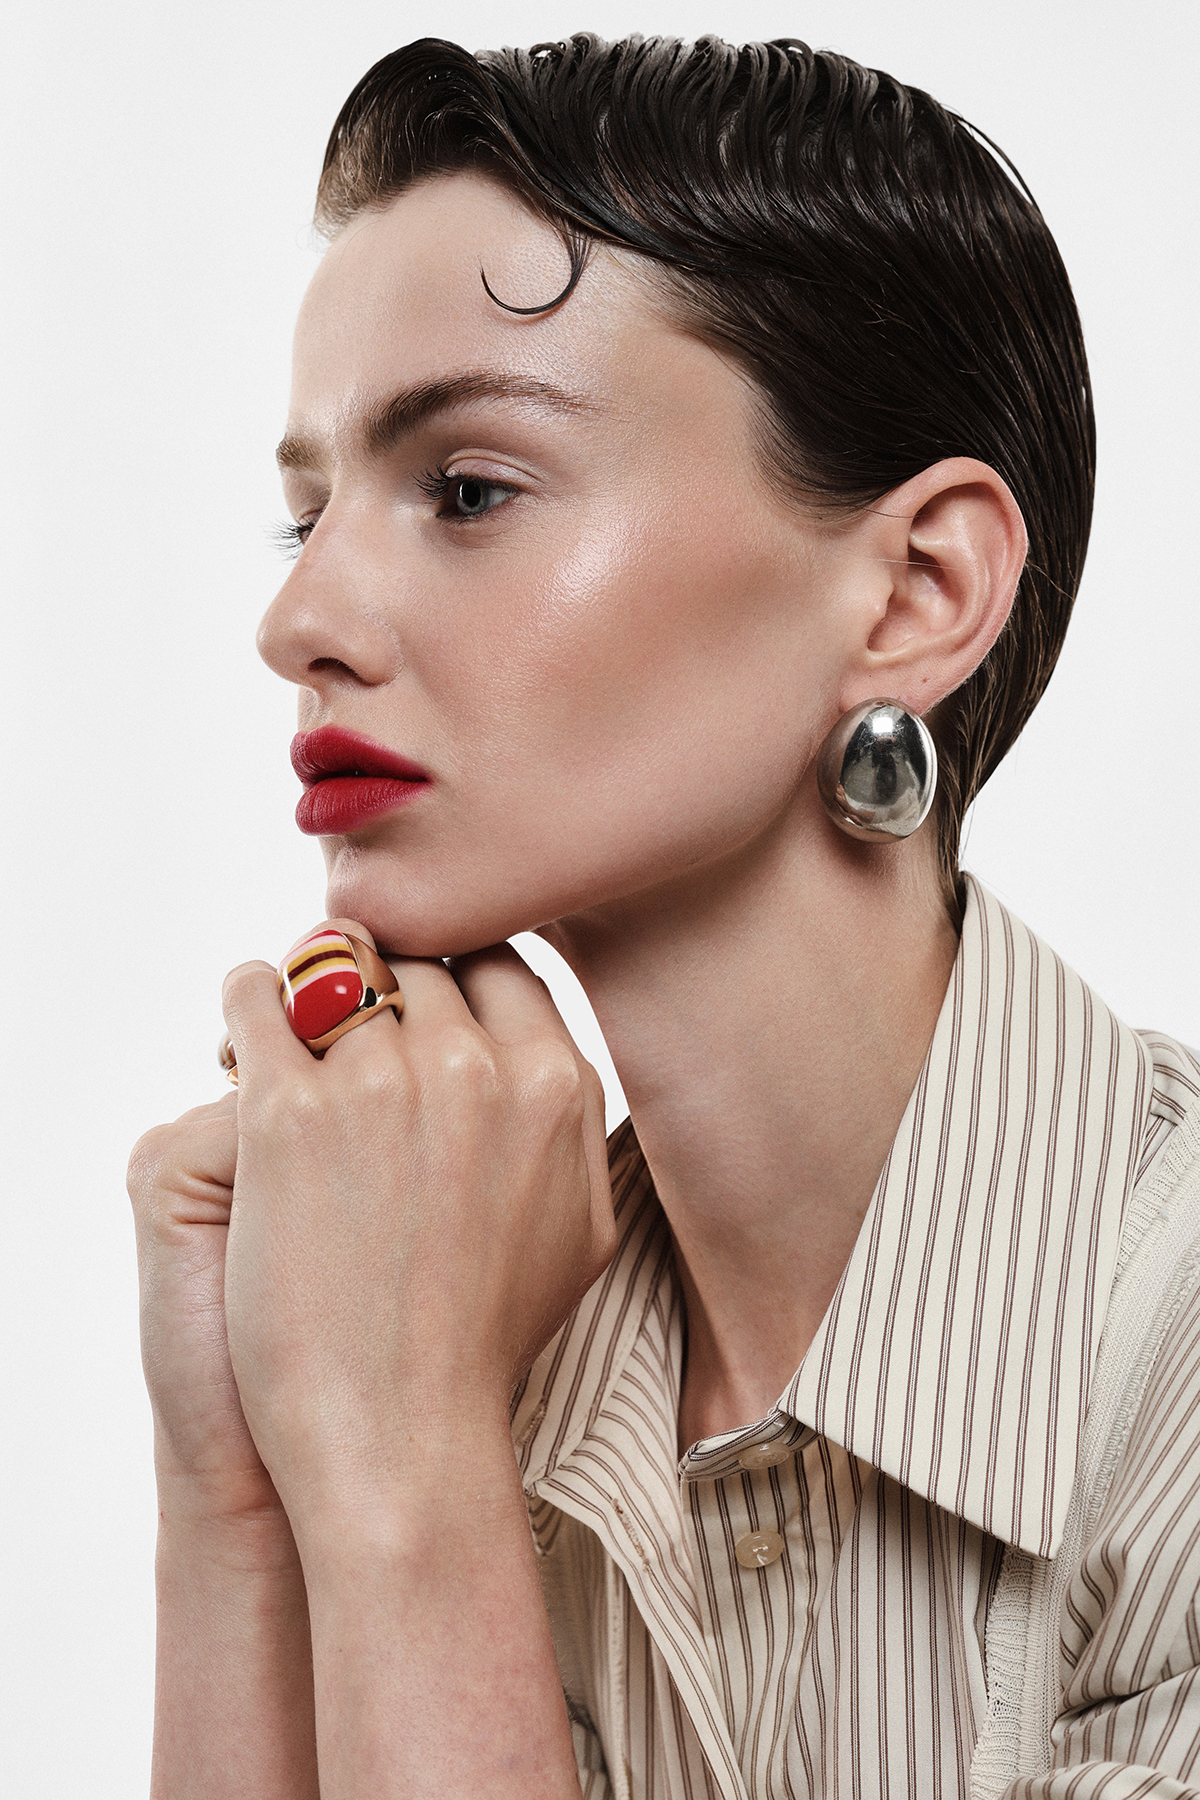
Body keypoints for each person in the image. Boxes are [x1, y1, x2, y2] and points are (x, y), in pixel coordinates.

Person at [127, 32, 1200, 1800]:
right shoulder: (430, 1313)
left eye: (468, 490)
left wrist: (408, 1477)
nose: (298, 621)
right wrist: (233, 1496)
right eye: (304, 517)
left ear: (918, 589)